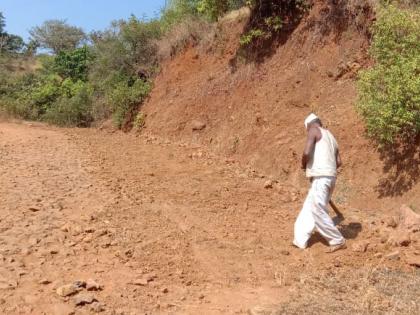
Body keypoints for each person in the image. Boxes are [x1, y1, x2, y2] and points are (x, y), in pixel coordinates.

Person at [293, 113, 346, 252]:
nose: (307, 132)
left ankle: (337, 239)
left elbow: (306, 152)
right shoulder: (331, 136)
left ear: (309, 125)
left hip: (322, 178)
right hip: (330, 177)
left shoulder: (313, 130)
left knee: (317, 209)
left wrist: (304, 165)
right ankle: (300, 240)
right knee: (309, 208)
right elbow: (339, 162)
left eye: (307, 129)